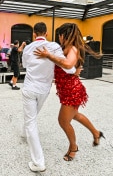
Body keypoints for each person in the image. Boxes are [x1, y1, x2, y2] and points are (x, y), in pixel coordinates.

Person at [34, 23, 104, 162]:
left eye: (59, 35)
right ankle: (96, 133)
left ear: (63, 35)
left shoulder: (72, 48)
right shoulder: (63, 48)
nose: (59, 38)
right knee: (75, 115)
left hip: (72, 91)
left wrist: (48, 55)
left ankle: (73, 147)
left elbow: (67, 64)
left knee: (63, 121)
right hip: (66, 90)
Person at [22, 22, 76, 172]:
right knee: (31, 118)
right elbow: (67, 67)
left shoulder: (28, 47)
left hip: (29, 87)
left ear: (34, 34)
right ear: (46, 33)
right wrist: (73, 70)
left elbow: (25, 65)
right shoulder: (54, 46)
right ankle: (25, 131)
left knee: (31, 121)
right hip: (44, 90)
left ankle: (38, 162)